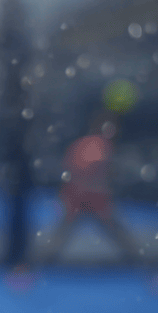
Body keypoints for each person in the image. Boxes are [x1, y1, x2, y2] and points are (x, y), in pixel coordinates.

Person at [40, 111, 142, 264]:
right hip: (90, 197)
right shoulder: (103, 147)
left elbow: (69, 170)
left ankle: (35, 266)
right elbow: (97, 173)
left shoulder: (81, 143)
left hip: (76, 196)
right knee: (118, 232)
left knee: (60, 235)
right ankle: (143, 263)